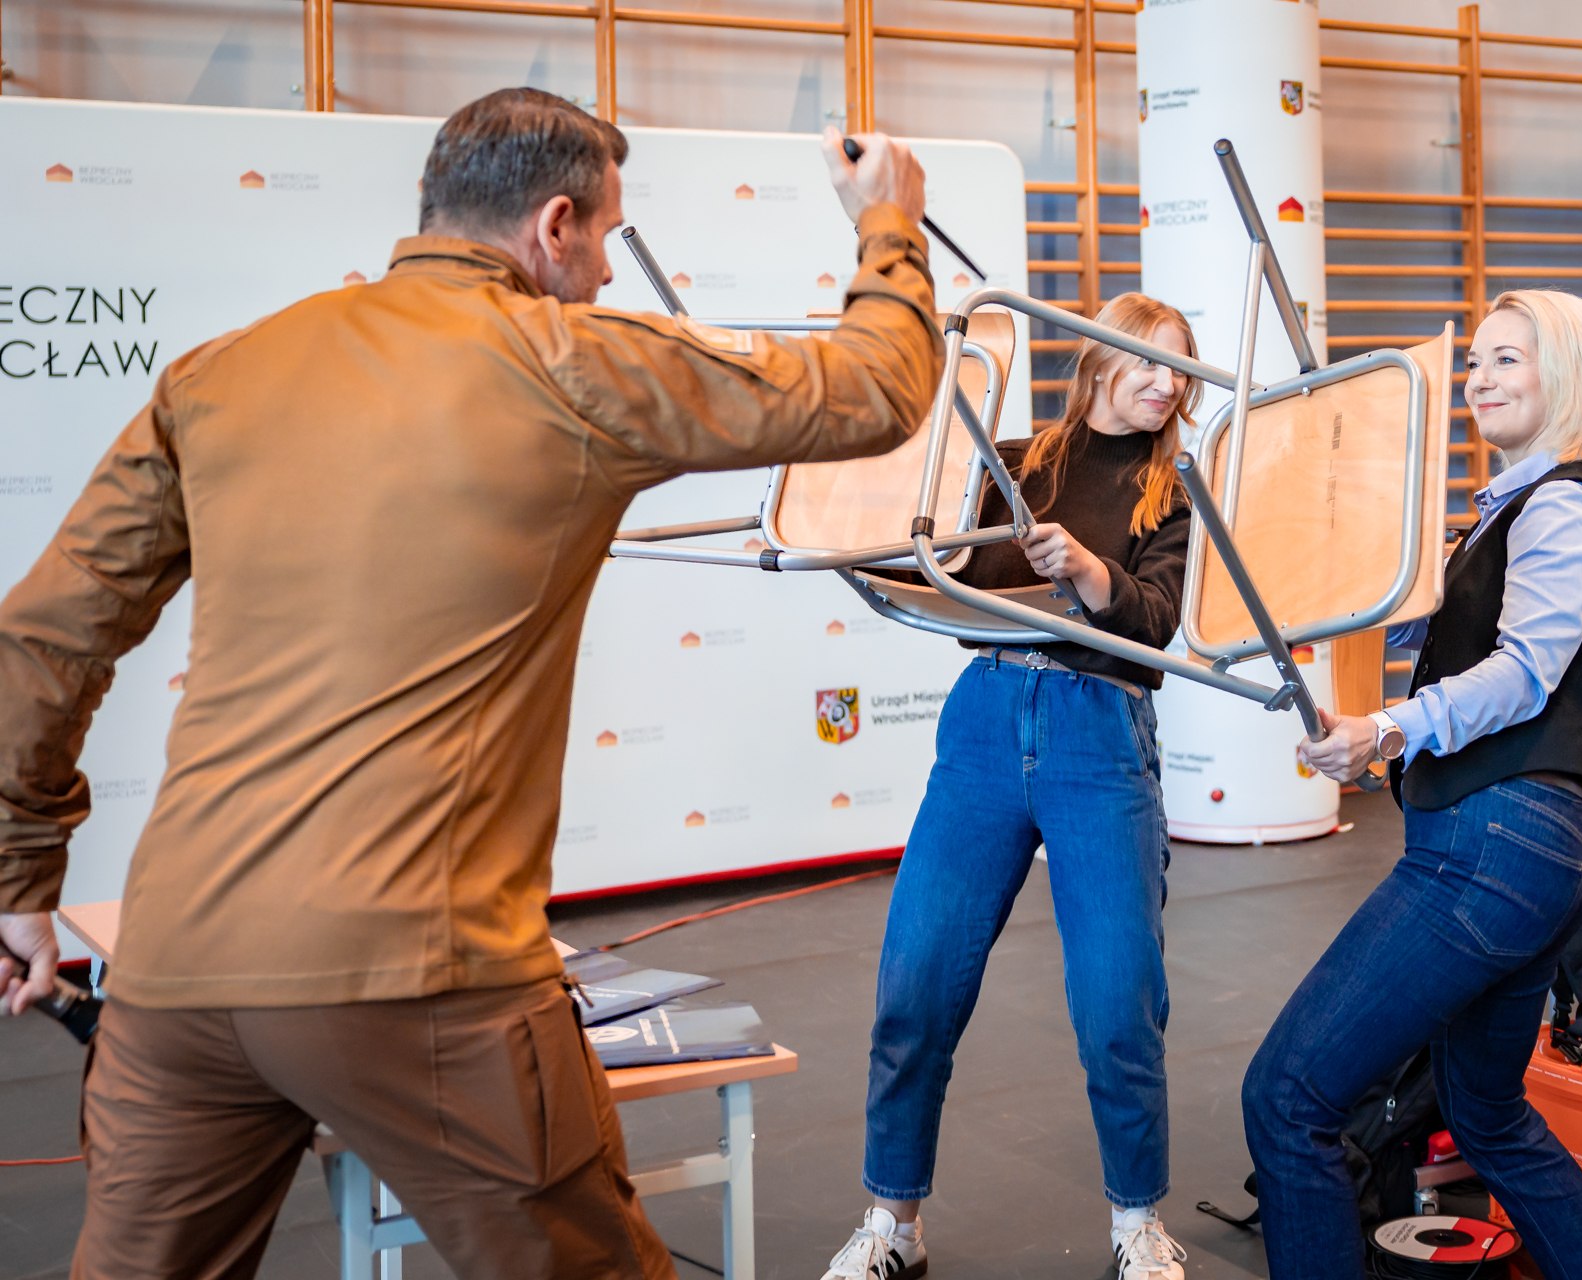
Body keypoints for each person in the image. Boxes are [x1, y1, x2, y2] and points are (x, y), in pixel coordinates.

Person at [0, 87, 941, 1280]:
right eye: (604, 236)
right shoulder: (572, 358)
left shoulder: (219, 371)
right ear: (555, 226)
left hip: (176, 968)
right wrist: (888, 222)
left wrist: (18, 876)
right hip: (422, 972)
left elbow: (45, 635)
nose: (605, 271)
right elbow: (874, 388)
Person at [1240, 288, 1582, 1280]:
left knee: (1288, 1099)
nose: (1479, 379)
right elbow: (1438, 635)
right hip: (1523, 849)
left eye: (1509, 359)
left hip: (1494, 847)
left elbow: (1522, 675)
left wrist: (1385, 729)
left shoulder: (1565, 506)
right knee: (1488, 1114)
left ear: (1570, 377)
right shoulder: (1509, 509)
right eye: (1474, 362)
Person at [819, 293, 1202, 1280]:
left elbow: (1157, 618)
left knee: (1119, 1002)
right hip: (986, 719)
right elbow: (942, 570)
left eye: (1179, 368)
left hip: (1099, 731)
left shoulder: (1174, 490)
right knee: (915, 984)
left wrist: (1089, 570)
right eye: (1147, 360)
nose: (1165, 383)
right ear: (1100, 361)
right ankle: (892, 1222)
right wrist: (850, 541)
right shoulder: (1016, 461)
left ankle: (1138, 1224)